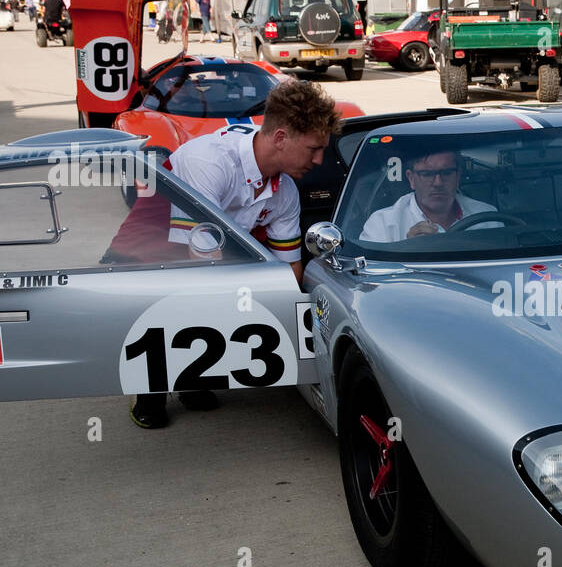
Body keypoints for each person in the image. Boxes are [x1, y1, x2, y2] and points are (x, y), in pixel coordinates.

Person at [128, 79, 341, 429]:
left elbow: (291, 269)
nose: (319, 160)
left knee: (235, 294)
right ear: (281, 137)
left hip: (219, 241)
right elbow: (201, 263)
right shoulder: (209, 162)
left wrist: (281, 310)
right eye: (313, 148)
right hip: (156, 234)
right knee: (168, 303)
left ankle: (192, 379)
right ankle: (149, 391)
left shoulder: (286, 189)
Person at [359, 149, 498, 242]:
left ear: (458, 176)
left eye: (446, 173)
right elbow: (369, 280)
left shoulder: (487, 217)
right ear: (411, 179)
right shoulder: (383, 224)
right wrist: (406, 251)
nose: (438, 182)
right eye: (427, 174)